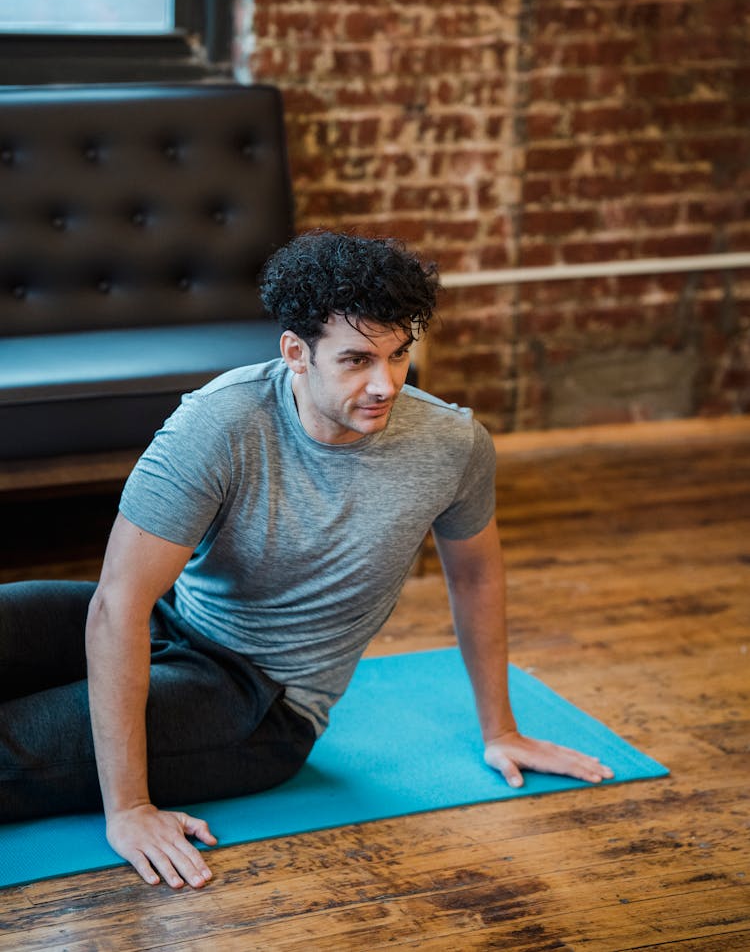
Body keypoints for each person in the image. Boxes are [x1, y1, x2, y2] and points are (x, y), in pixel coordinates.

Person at [0, 230, 612, 890]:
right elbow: (120, 602)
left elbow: (475, 574)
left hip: (264, 706)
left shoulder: (452, 444)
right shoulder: (217, 424)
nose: (385, 383)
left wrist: (502, 728)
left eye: (399, 354)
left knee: (15, 739)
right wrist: (127, 807)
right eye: (355, 360)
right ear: (296, 351)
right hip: (176, 623)